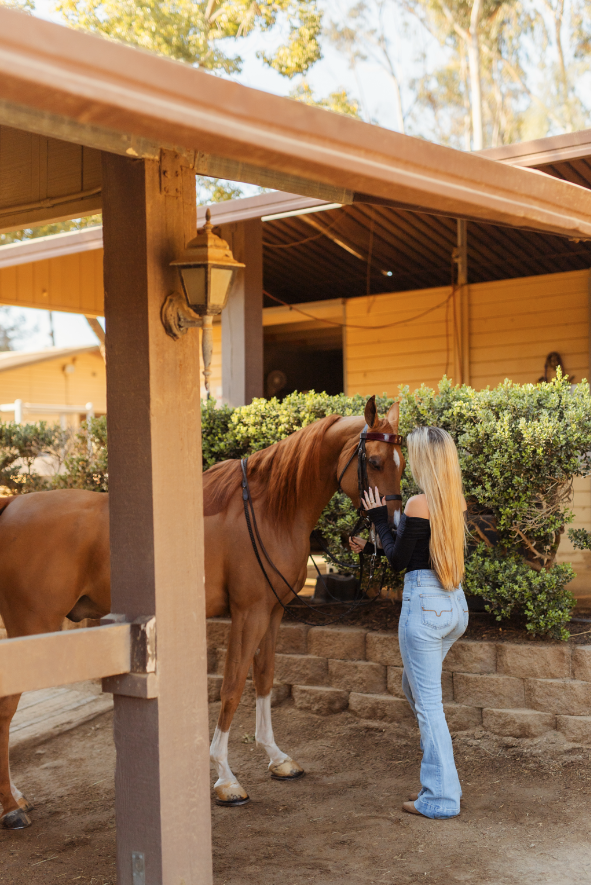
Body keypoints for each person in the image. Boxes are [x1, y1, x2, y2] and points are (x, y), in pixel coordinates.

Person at [351, 425, 467, 819]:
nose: (411, 462)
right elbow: (417, 551)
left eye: (415, 455)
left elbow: (400, 562)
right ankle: (443, 775)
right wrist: (371, 544)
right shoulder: (453, 501)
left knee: (428, 704)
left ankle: (441, 797)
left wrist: (377, 516)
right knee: (414, 687)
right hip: (453, 606)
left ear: (426, 460)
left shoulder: (419, 503)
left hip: (426, 606)